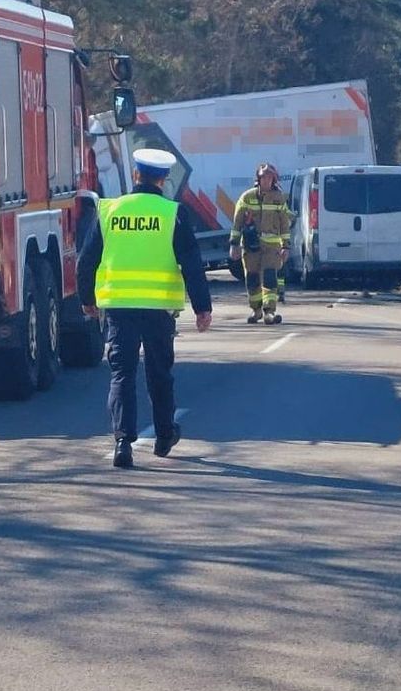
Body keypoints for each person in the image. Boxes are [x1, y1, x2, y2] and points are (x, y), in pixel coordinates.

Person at [78, 148, 213, 470]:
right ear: (163, 179)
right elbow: (192, 265)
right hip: (158, 308)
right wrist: (202, 308)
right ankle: (165, 435)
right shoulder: (173, 213)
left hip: (119, 307)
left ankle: (123, 442)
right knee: (159, 374)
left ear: (136, 175)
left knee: (122, 374)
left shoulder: (109, 210)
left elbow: (86, 260)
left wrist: (87, 300)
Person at [229, 162, 291, 325]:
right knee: (252, 279)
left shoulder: (279, 199)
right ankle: (256, 310)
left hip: (272, 247)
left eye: (269, 178)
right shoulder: (247, 197)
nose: (266, 181)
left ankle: (269, 311)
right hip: (251, 246)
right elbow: (238, 221)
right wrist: (234, 243)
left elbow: (284, 224)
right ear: (258, 179)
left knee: (270, 277)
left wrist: (286, 246)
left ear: (274, 179)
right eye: (263, 177)